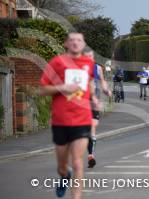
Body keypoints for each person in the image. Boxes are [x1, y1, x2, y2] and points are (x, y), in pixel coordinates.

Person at [39, 32, 93, 199]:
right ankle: (64, 175)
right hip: (61, 121)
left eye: (79, 40)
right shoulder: (57, 62)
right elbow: (42, 89)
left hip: (82, 119)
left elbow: (89, 84)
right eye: (72, 40)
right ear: (66, 43)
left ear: (83, 44)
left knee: (78, 162)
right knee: (62, 165)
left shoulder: (89, 63)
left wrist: (93, 96)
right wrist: (63, 87)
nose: (75, 43)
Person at [83, 48, 112, 168]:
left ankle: (90, 155)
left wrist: (106, 90)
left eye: (91, 56)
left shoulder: (98, 68)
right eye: (87, 57)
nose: (90, 59)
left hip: (94, 103)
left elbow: (103, 82)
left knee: (92, 128)